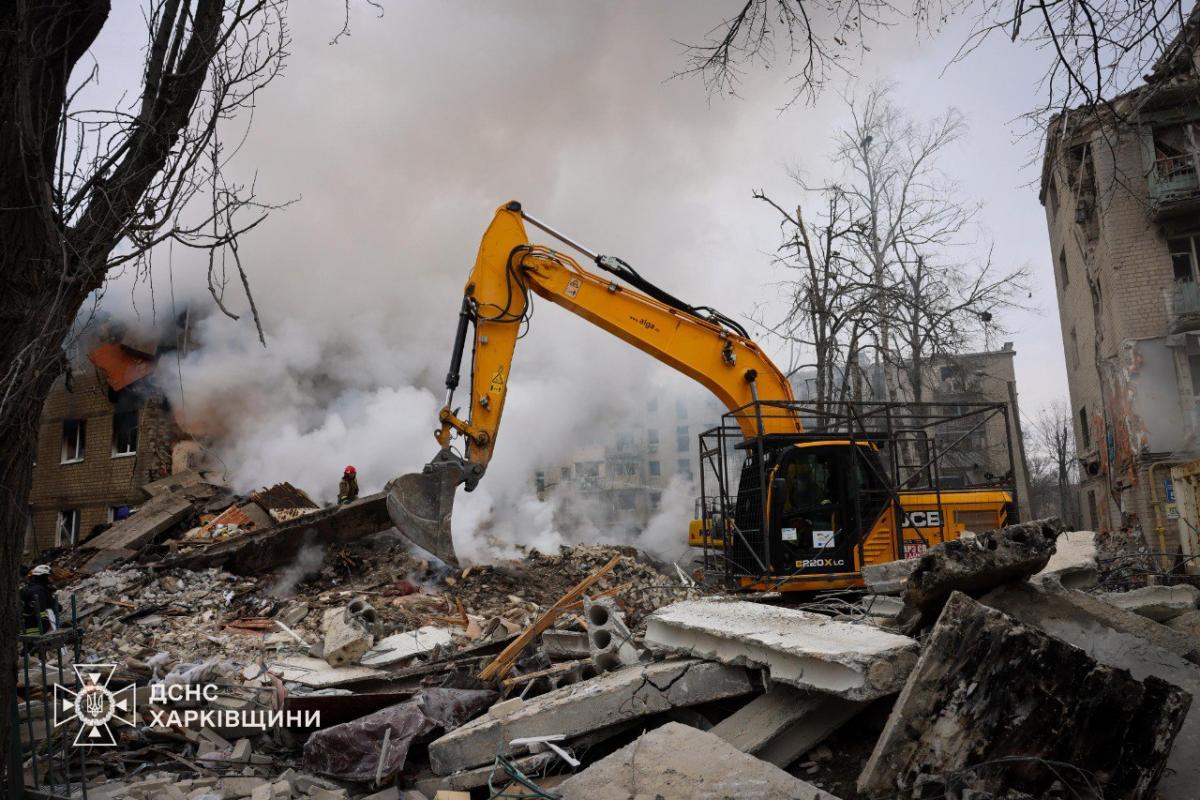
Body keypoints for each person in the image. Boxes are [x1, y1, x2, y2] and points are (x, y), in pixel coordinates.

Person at [21, 565, 60, 635]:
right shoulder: (39, 591)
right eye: (48, 576)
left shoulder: (28, 588)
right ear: (43, 577)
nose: (50, 579)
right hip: (39, 629)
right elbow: (43, 609)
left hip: (28, 628)